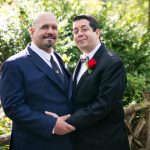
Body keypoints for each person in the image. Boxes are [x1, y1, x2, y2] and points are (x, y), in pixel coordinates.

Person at [46, 15, 130, 150]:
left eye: (84, 29)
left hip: (104, 142)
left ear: (97, 32)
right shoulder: (82, 60)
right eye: (75, 31)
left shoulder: (112, 63)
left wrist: (65, 122)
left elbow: (103, 105)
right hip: (82, 140)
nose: (79, 34)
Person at [0, 12, 75, 150]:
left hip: (66, 142)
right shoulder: (14, 64)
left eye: (54, 27)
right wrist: (50, 124)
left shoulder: (58, 59)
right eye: (45, 27)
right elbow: (12, 107)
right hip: (34, 143)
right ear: (32, 31)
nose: (50, 31)